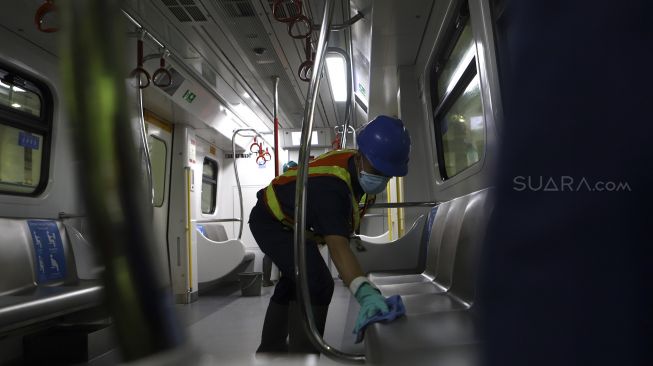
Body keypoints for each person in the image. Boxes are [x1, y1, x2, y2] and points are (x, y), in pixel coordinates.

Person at [248, 115, 411, 353]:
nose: (382, 179)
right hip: (271, 221)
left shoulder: (357, 170)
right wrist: (364, 292)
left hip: (295, 225)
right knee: (317, 282)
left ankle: (270, 350)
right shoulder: (331, 187)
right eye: (378, 170)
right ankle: (303, 353)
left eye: (388, 174)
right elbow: (337, 246)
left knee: (296, 278)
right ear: (359, 157)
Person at [262, 161, 298, 287]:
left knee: (270, 253)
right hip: (281, 222)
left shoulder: (276, 183)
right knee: (286, 252)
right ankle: (287, 280)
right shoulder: (294, 185)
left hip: (272, 222)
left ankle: (267, 280)